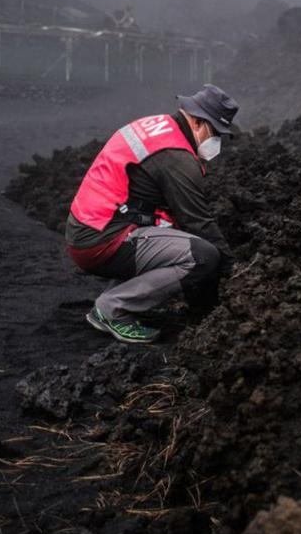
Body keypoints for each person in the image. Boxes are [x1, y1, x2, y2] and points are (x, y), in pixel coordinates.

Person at [65, 84, 240, 343]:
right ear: (199, 123)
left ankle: (120, 297)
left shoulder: (157, 126)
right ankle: (113, 309)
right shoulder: (177, 157)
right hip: (100, 241)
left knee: (177, 235)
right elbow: (198, 221)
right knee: (203, 255)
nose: (216, 142)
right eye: (215, 133)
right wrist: (232, 273)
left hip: (88, 228)